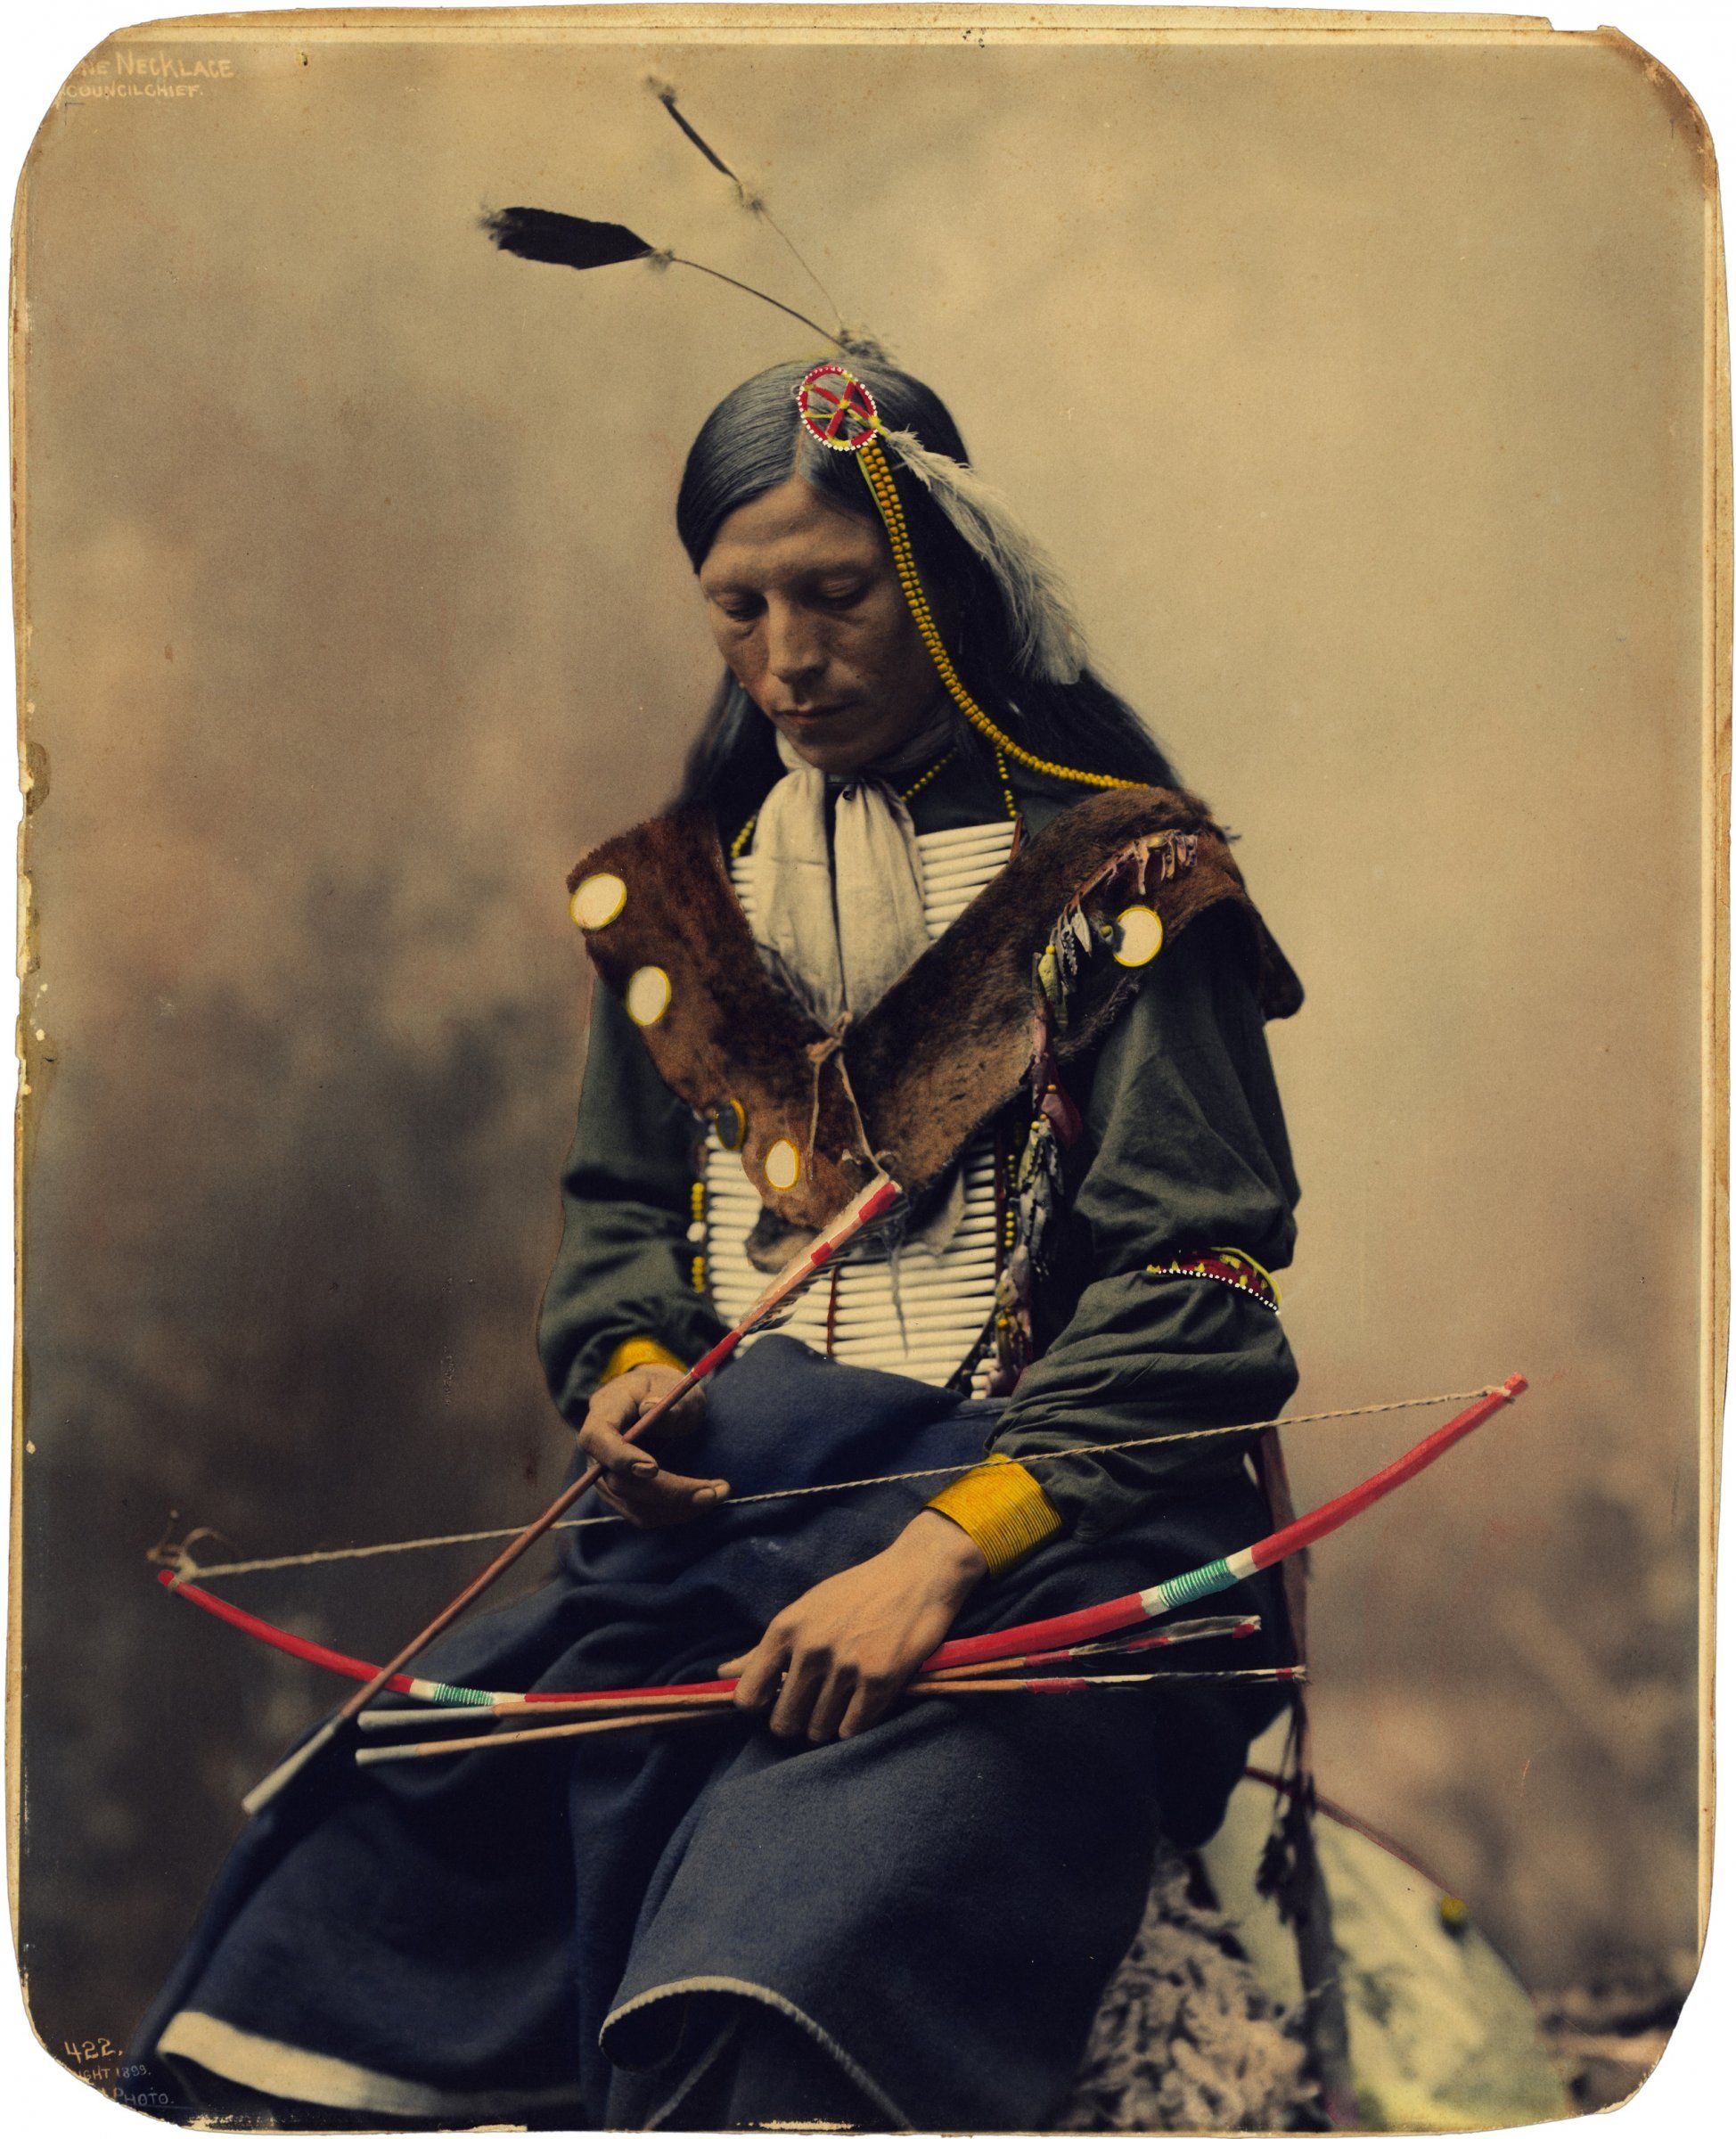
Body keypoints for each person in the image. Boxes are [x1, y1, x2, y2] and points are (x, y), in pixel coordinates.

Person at [134, 355, 1305, 2132]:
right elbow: (619, 1219)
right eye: (736, 609)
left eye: (837, 598)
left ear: (945, 587)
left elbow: (1195, 1287)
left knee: (782, 1953)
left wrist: (937, 1559)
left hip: (1039, 1532)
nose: (786, 661)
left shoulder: (1121, 887)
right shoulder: (676, 901)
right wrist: (624, 1371)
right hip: (726, 1525)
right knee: (365, 1868)